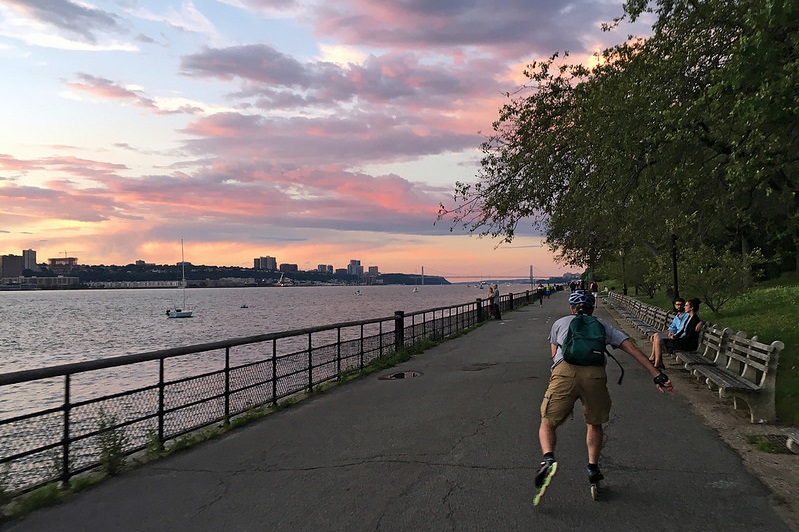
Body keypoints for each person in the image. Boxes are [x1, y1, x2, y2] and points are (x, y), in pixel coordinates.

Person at [535, 291, 673, 500]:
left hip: (565, 371)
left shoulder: (560, 323)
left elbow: (554, 355)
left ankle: (547, 458)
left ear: (572, 308)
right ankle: (592, 468)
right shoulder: (602, 326)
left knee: (548, 422)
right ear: (592, 308)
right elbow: (632, 348)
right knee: (594, 423)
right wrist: (656, 374)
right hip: (594, 375)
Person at [654, 298, 703, 367]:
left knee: (659, 338)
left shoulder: (693, 319)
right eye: (678, 305)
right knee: (657, 336)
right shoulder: (689, 317)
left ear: (691, 308)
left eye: (685, 305)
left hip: (686, 344)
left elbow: (689, 336)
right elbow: (683, 330)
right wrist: (674, 336)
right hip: (680, 338)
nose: (683, 307)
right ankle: (657, 361)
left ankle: (657, 362)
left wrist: (675, 339)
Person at [649, 298, 690, 369]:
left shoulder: (687, 315)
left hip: (680, 340)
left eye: (681, 305)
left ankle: (656, 361)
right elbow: (671, 328)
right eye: (677, 305)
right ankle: (657, 361)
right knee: (656, 335)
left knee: (658, 337)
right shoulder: (677, 317)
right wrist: (662, 333)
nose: (679, 306)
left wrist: (700, 323)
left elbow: (696, 320)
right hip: (673, 337)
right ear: (674, 305)